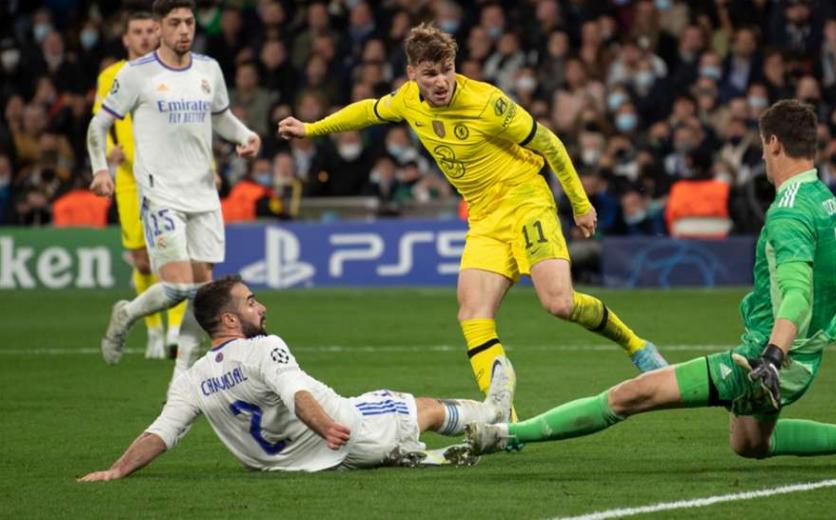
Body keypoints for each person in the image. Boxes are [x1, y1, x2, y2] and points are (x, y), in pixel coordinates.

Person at [466, 101, 836, 468]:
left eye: (762, 146)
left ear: (773, 144)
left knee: (631, 396)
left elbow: (798, 294)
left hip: (763, 361)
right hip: (801, 363)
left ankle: (505, 434)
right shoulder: (824, 199)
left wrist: (772, 356)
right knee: (750, 443)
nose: (762, 154)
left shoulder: (787, 214)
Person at [278, 23, 667, 405]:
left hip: (525, 199)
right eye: (430, 73)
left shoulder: (486, 103)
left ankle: (636, 346)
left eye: (446, 70)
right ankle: (505, 421)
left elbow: (550, 143)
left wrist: (581, 204)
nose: (441, 81)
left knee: (559, 304)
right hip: (484, 216)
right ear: (412, 74)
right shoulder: (407, 99)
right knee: (472, 314)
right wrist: (311, 129)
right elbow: (369, 110)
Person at [77, 276, 512, 480]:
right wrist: (327, 427)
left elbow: (162, 431)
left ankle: (407, 452)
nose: (261, 307)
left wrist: (117, 470)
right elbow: (295, 392)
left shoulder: (195, 378)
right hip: (347, 432)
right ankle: (493, 416)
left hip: (284, 465)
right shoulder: (263, 347)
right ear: (229, 319)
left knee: (394, 412)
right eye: (251, 302)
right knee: (424, 408)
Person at [86, 0, 262, 372]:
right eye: (174, 23)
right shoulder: (135, 74)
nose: (184, 30)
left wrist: (246, 135)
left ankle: (181, 379)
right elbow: (98, 124)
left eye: (189, 23)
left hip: (203, 191)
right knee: (179, 285)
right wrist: (100, 169)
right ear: (160, 29)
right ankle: (127, 314)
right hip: (160, 192)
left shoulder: (209, 69)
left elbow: (222, 117)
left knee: (202, 291)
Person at [92, 10, 181, 360]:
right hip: (130, 180)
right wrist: (106, 155)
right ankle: (154, 331)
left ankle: (174, 333)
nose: (144, 37)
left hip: (169, 177)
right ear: (126, 38)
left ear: (158, 34)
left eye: (149, 31)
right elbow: (99, 123)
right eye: (137, 31)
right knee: (143, 263)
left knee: (174, 258)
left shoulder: (173, 73)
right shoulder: (110, 76)